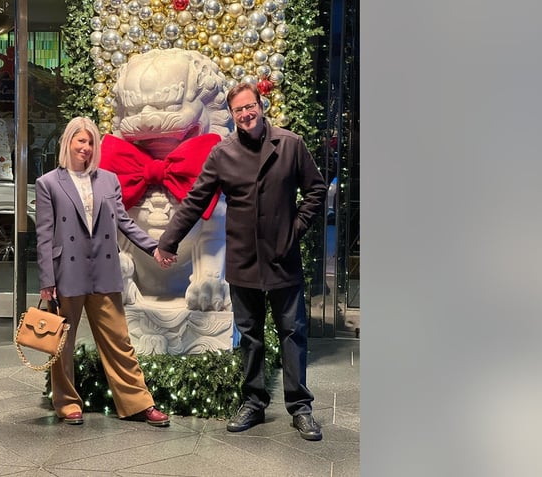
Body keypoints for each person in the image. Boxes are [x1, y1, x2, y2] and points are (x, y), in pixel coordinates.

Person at [155, 83, 328, 440]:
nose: (246, 114)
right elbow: (194, 200)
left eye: (250, 107)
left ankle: (301, 407)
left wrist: (294, 230)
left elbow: (315, 190)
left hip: (283, 257)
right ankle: (253, 401)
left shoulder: (290, 144)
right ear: (232, 116)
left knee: (293, 332)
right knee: (250, 336)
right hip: (243, 259)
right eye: (238, 110)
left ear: (261, 106)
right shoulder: (222, 154)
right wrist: (168, 241)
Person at [34, 116, 171, 427]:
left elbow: (124, 222)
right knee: (62, 342)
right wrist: (46, 281)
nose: (85, 147)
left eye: (91, 141)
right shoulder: (48, 184)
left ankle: (138, 402)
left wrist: (154, 248)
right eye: (80, 140)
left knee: (119, 340)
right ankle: (67, 403)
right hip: (66, 271)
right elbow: (44, 235)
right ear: (67, 142)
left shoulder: (109, 179)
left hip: (104, 269)